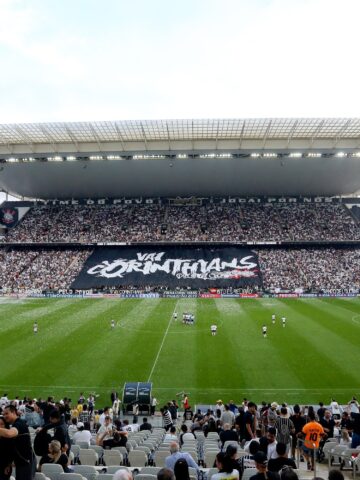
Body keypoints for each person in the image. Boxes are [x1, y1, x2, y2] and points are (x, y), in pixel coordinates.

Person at [0, 405, 35, 480]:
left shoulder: (19, 423)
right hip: (21, 462)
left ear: (13, 412)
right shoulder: (16, 423)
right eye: (3, 414)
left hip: (25, 463)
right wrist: (9, 463)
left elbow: (9, 434)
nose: (5, 416)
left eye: (7, 413)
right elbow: (13, 447)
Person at [0, 415, 12, 480]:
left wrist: (8, 465)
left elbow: (11, 453)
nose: (0, 426)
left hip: (5, 467)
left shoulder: (9, 439)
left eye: (2, 424)